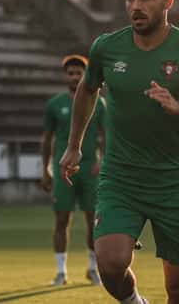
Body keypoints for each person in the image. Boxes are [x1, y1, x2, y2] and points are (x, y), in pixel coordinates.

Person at [59, 0, 179, 304]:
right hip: (121, 178)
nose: (136, 5)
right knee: (110, 264)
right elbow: (88, 89)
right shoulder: (107, 47)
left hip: (174, 181)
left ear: (168, 1)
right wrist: (74, 145)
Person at [40, 54, 107, 286]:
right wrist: (45, 169)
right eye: (71, 73)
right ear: (65, 76)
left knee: (93, 220)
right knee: (61, 219)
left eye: (79, 73)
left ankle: (92, 268)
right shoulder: (54, 104)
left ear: (85, 74)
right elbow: (47, 139)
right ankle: (61, 272)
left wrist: (102, 161)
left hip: (90, 169)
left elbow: (107, 135)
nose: (75, 77)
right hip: (63, 169)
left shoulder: (98, 103)